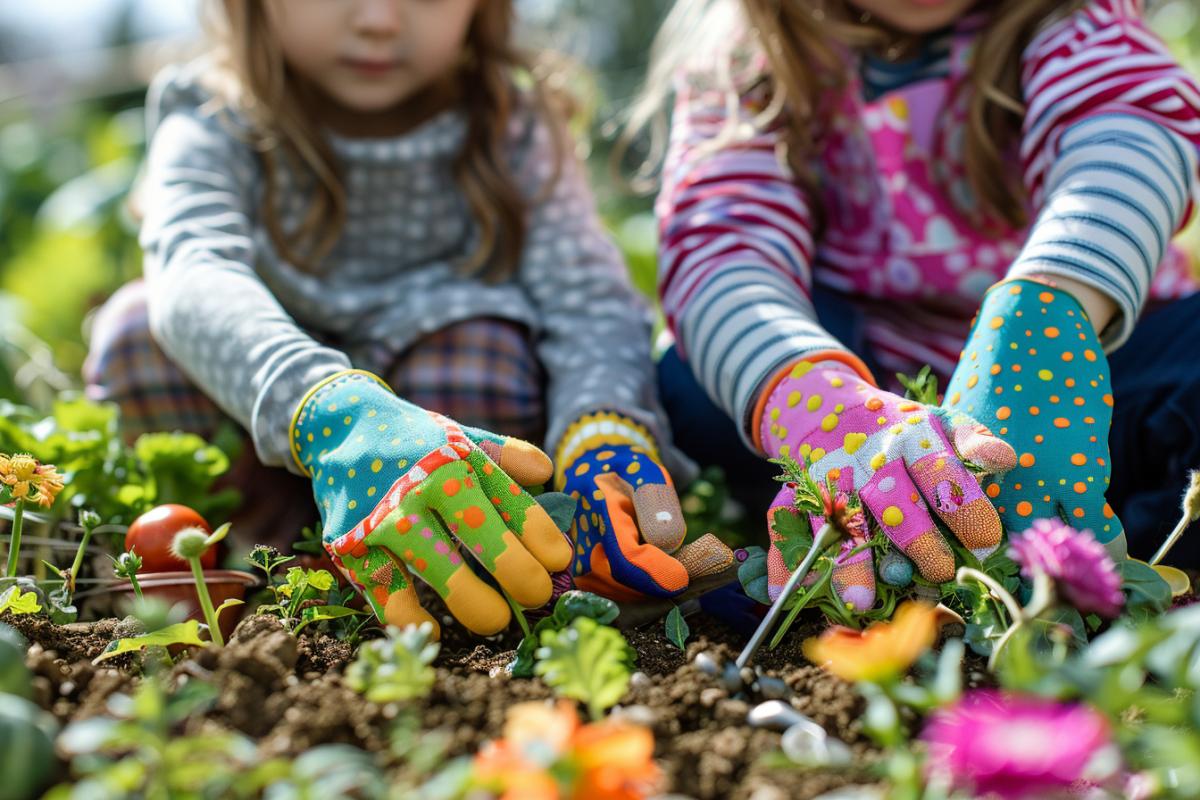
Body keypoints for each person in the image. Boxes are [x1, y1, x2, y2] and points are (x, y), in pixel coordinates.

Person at [85, 0, 731, 638]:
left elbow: (588, 298)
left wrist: (601, 426)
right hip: (267, 411)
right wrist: (331, 412)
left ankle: (450, 558)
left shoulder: (510, 121)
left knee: (482, 362)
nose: (379, 20)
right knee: (137, 338)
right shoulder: (212, 109)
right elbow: (193, 268)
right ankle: (273, 561)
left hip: (443, 413)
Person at [643, 0, 1200, 607]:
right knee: (695, 378)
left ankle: (1088, 560)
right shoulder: (754, 57)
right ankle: (886, 539)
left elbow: (1126, 141)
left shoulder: (1074, 20)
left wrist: (1046, 315)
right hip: (868, 413)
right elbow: (724, 249)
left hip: (1088, 390)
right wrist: (823, 408)